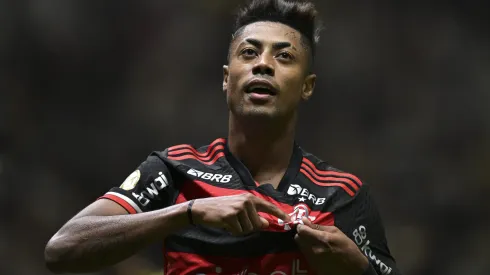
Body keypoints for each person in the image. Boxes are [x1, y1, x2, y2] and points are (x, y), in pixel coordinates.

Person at [45, 0, 401, 274]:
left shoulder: (342, 195)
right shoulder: (173, 170)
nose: (263, 64)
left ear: (307, 87)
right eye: (250, 52)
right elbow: (62, 249)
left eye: (285, 56)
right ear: (227, 79)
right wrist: (187, 212)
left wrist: (358, 269)